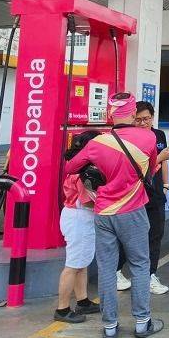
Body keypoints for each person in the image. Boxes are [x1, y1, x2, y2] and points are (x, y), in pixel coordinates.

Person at [66, 93, 164, 338]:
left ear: (111, 114)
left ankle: (110, 326)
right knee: (140, 266)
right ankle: (142, 323)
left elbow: (69, 168)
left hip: (103, 212)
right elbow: (151, 171)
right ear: (133, 114)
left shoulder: (98, 143)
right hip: (132, 212)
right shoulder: (148, 137)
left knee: (107, 269)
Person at [115, 102, 169, 295]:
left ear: (152, 118)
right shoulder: (127, 139)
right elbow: (135, 167)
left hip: (155, 192)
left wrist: (166, 185)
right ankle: (116, 271)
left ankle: (150, 276)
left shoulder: (159, 136)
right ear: (132, 119)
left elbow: (164, 161)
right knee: (129, 236)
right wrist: (159, 157)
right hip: (133, 194)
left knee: (155, 234)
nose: (143, 123)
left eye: (146, 119)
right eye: (138, 119)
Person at [55, 131, 101, 323]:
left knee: (81, 263)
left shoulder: (78, 165)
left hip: (77, 217)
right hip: (79, 218)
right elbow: (88, 201)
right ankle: (62, 309)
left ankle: (82, 301)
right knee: (73, 265)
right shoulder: (84, 171)